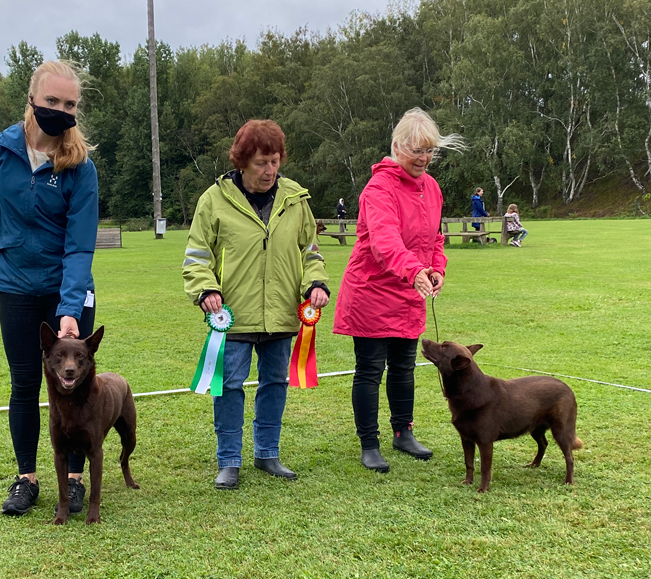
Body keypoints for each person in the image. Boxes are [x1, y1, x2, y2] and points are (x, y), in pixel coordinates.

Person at [0, 60, 99, 516]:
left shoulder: (81, 167)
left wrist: (69, 307)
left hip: (66, 287)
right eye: (52, 101)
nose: (60, 111)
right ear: (31, 98)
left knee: (77, 385)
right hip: (15, 286)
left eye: (70, 104)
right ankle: (26, 478)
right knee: (25, 382)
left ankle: (75, 479)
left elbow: (79, 245)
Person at [183, 119, 330, 490]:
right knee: (229, 386)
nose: (270, 170)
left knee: (275, 383)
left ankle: (268, 453)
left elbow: (310, 251)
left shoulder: (296, 199)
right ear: (242, 161)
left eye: (275, 161)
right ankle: (228, 461)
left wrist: (315, 284)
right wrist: (205, 290)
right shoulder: (213, 200)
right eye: (261, 163)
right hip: (232, 315)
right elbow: (197, 256)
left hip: (281, 313)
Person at [333, 108, 464, 473]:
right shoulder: (378, 188)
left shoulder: (432, 187)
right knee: (370, 370)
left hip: (409, 291)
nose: (424, 158)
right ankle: (369, 443)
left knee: (404, 368)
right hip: (372, 292)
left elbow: (435, 238)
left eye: (429, 151)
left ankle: (403, 432)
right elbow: (384, 241)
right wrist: (414, 270)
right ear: (397, 147)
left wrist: (436, 268)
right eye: (416, 150)